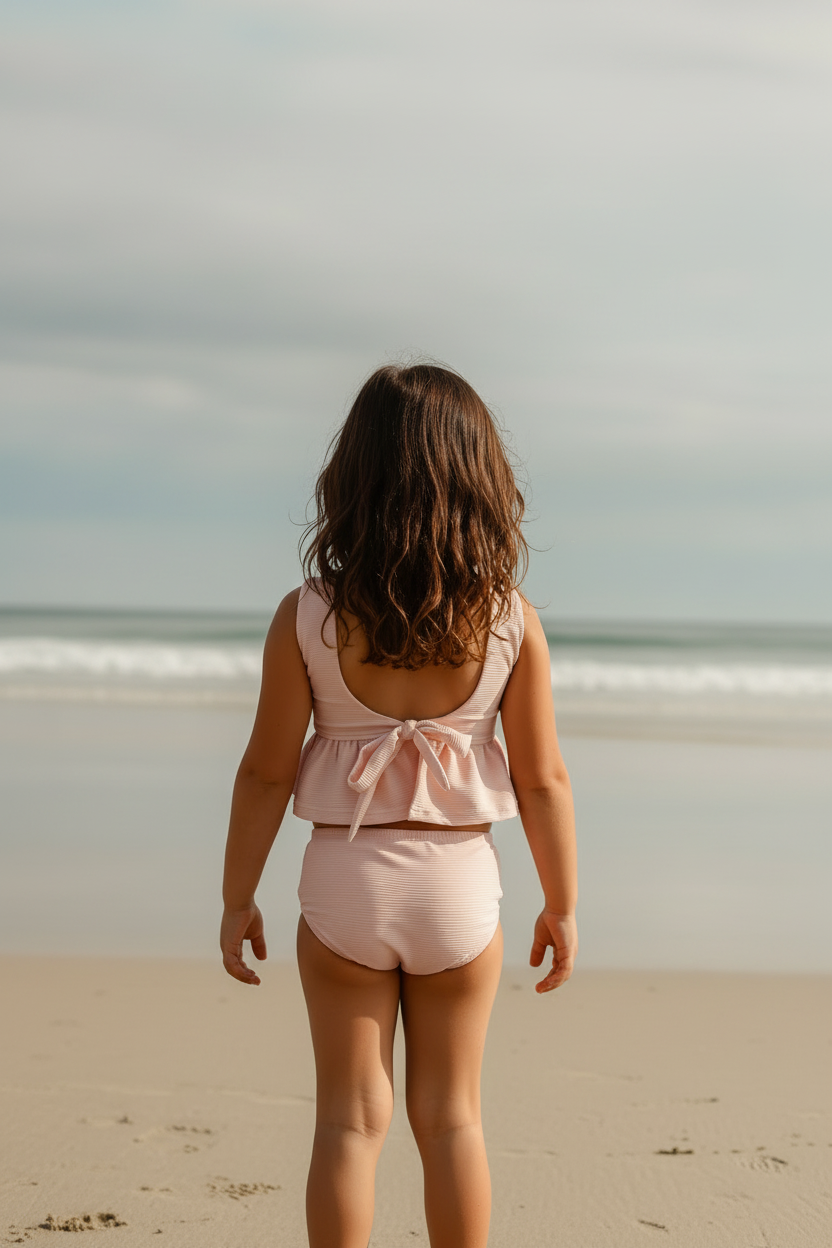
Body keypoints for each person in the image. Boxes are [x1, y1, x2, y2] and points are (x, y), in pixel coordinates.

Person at [220, 363, 578, 1248]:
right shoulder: (509, 620)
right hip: (458, 883)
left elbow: (266, 772)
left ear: (354, 477)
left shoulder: (308, 615)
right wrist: (562, 905)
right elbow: (542, 779)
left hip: (347, 880)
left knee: (348, 1121)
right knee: (452, 1120)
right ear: (481, 481)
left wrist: (237, 896)